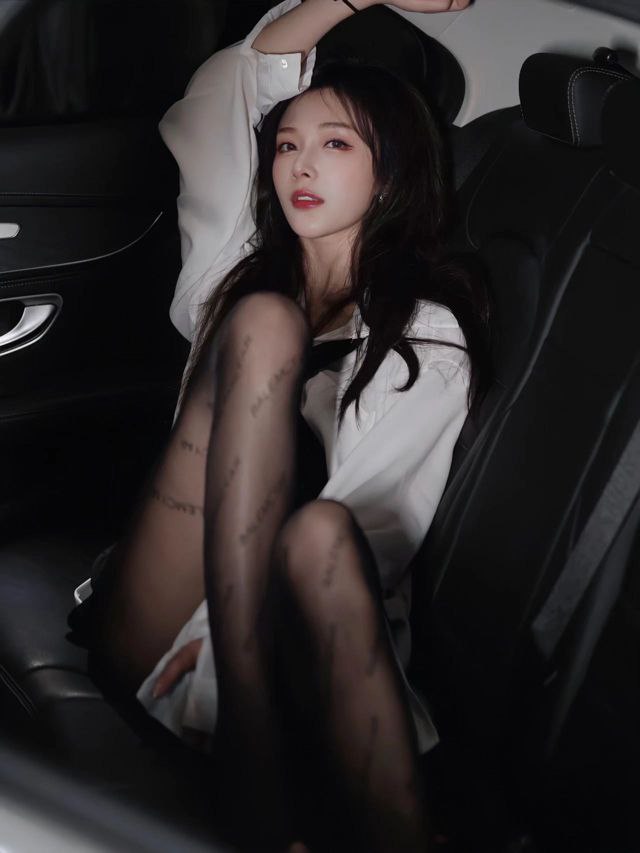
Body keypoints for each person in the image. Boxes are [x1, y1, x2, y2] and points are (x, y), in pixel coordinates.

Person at [68, 0, 486, 851]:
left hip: (292, 616)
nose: (302, 163)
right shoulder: (234, 267)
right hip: (156, 607)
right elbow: (232, 84)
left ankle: (277, 749)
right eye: (288, 144)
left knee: (324, 528)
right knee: (264, 324)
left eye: (336, 144)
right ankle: (253, 755)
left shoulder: (427, 335)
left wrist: (227, 647)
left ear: (392, 171)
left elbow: (375, 525)